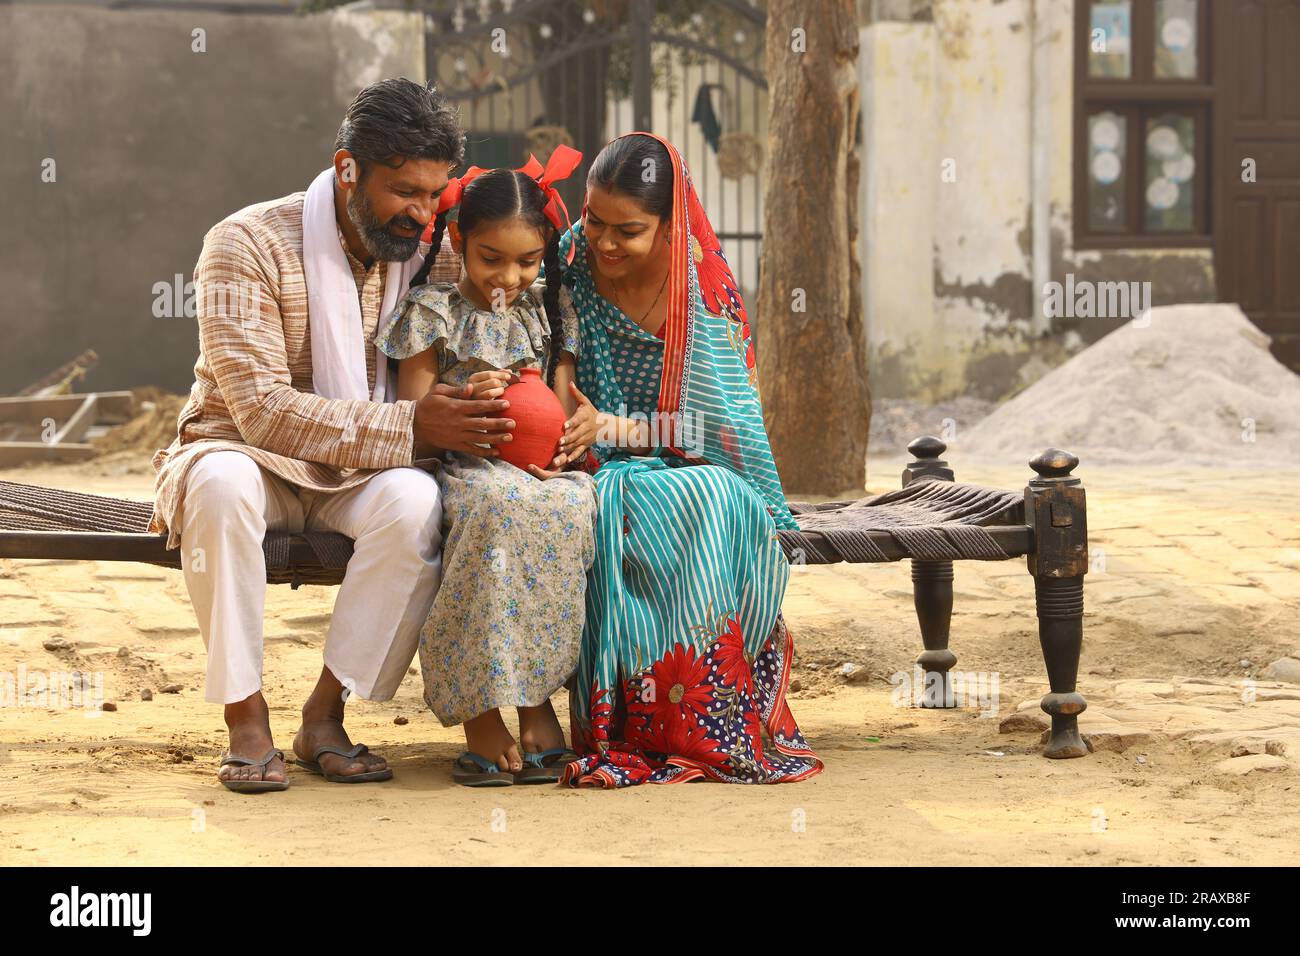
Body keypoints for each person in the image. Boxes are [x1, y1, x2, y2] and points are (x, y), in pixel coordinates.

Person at [148, 79, 516, 793]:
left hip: (360, 476)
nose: (421, 212)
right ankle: (245, 717)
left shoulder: (431, 249)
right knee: (221, 489)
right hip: (245, 455)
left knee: (416, 503)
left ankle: (325, 713)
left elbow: (483, 328)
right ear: (347, 167)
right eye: (404, 190)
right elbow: (261, 411)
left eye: (434, 193)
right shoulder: (244, 243)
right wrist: (412, 424)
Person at [555, 132, 823, 786]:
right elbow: (545, 363)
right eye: (594, 220)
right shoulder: (566, 263)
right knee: (637, 504)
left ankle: (703, 716)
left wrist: (615, 426)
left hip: (694, 464)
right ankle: (636, 719)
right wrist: (572, 422)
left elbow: (722, 429)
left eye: (630, 230)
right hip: (585, 465)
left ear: (673, 228)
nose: (605, 243)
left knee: (717, 501)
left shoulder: (700, 290)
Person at [376, 149, 599, 786]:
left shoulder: (546, 311)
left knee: (571, 506)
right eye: (492, 258)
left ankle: (535, 695)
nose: (510, 276)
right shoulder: (433, 312)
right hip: (463, 468)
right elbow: (413, 409)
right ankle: (481, 706)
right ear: (458, 241)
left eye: (529, 261)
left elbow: (557, 403)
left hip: (536, 472)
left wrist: (578, 425)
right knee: (498, 511)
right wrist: (463, 398)